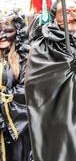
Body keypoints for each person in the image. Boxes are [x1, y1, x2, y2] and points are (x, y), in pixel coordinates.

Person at [25, 0, 76, 161]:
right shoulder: (42, 46)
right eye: (65, 12)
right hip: (55, 117)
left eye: (75, 12)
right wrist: (62, 70)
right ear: (55, 17)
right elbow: (35, 85)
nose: (71, 17)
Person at [0, 12, 32, 161]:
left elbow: (27, 88)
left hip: (14, 126)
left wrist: (3, 101)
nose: (2, 35)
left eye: (8, 31)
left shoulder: (24, 57)